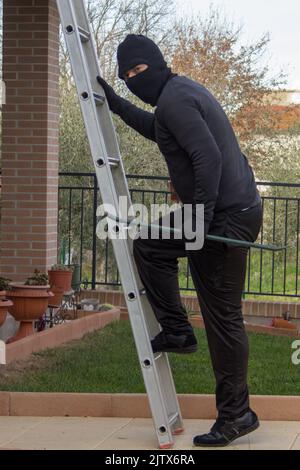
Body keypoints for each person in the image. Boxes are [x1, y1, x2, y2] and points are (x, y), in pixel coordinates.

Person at [96, 34, 263, 447]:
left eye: (139, 70)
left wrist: (202, 217)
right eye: (128, 74)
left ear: (157, 64)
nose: (135, 78)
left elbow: (208, 157)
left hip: (225, 218)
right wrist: (116, 104)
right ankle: (177, 330)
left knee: (223, 317)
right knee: (150, 244)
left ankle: (237, 415)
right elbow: (159, 131)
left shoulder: (175, 99)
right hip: (222, 211)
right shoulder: (176, 95)